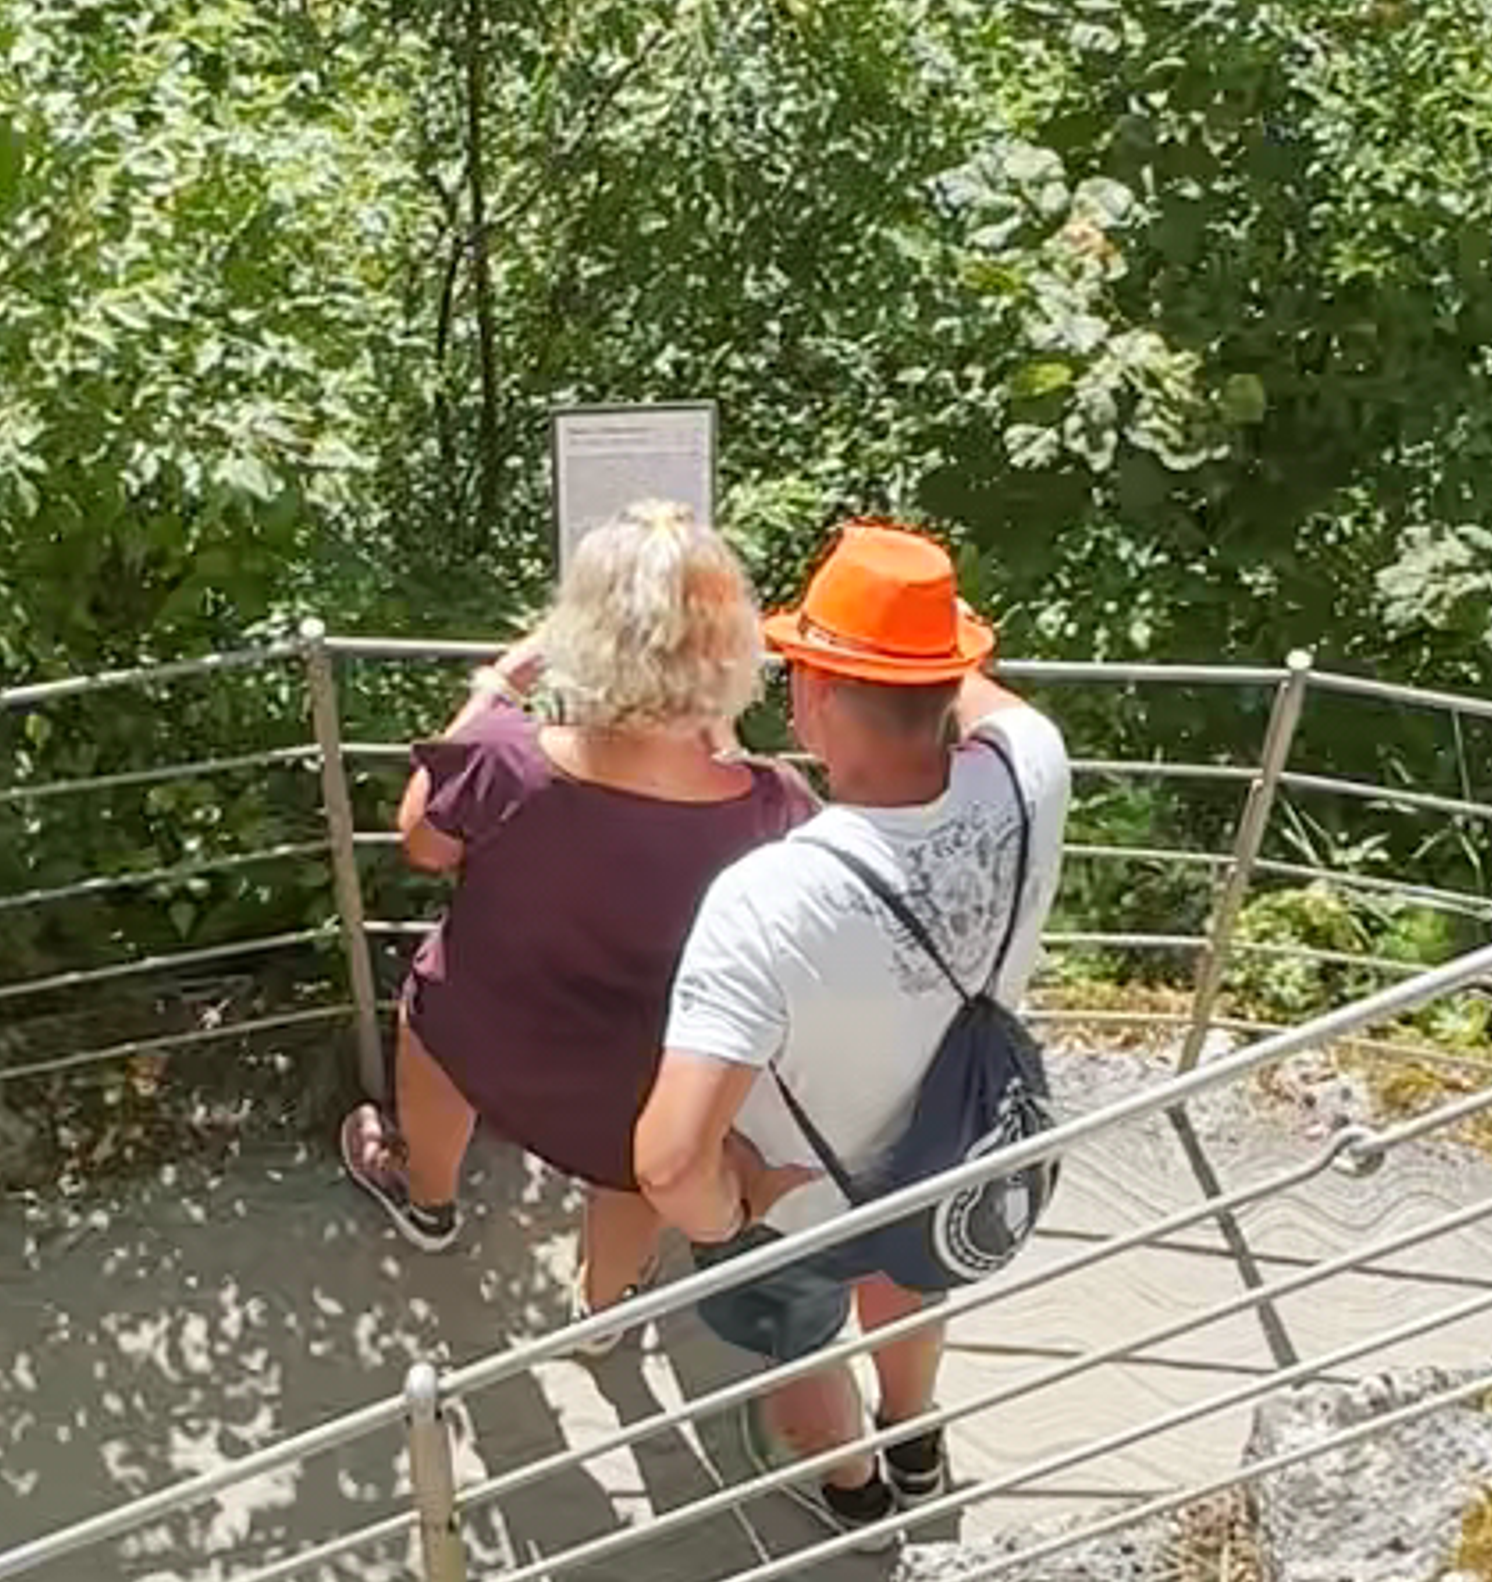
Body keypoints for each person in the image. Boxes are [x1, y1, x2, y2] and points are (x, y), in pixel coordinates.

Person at [631, 521, 1071, 1521]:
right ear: (946, 683)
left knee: (797, 1340)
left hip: (804, 1198)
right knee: (911, 1280)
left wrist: (723, 1218)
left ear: (814, 695)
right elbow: (983, 694)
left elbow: (666, 1162)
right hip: (956, 1147)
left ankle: (856, 1492)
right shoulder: (1031, 769)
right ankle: (915, 1440)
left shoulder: (766, 898)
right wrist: (918, 628)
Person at [337, 503, 806, 1309]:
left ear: (583, 631)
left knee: (434, 1017)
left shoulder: (504, 760)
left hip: (483, 1025)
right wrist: (720, 735)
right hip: (643, 1068)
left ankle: (427, 1201)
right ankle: (603, 1305)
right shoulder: (772, 805)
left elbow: (423, 842)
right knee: (633, 1155)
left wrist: (496, 684)